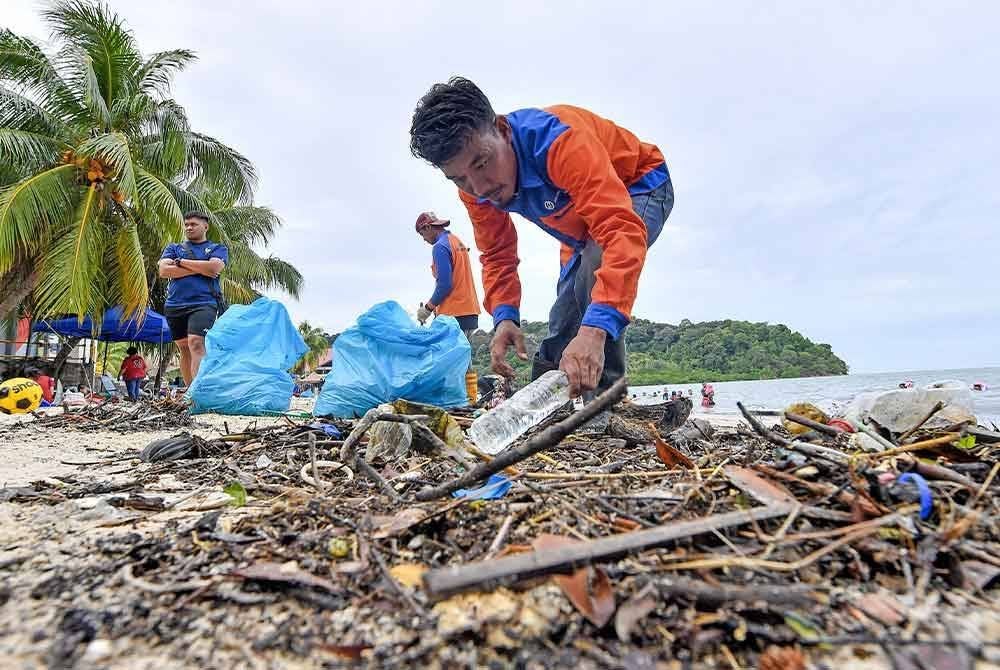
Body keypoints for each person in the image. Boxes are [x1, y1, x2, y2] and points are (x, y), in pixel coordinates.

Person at [409, 77, 673, 400]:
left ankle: (605, 402)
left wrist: (594, 332)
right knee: (563, 316)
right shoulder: (476, 190)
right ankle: (540, 405)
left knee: (596, 267)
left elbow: (618, 230)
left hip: (640, 184)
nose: (479, 188)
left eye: (482, 162)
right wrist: (505, 317)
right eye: (460, 178)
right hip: (579, 226)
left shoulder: (559, 143)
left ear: (503, 131)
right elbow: (496, 253)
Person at [414, 211, 482, 405]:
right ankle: (470, 401)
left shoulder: (440, 247)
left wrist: (428, 308)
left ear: (428, 228)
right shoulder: (456, 241)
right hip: (468, 309)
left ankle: (462, 402)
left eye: (422, 235)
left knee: (449, 361)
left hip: (454, 313)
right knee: (463, 358)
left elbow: (445, 284)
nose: (425, 240)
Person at [157, 212, 229, 385]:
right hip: (175, 304)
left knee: (196, 343)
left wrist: (180, 263)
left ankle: (200, 390)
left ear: (205, 226)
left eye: (194, 224)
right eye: (187, 224)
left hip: (204, 303)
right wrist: (201, 268)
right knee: (184, 348)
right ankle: (190, 393)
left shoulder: (217, 248)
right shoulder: (174, 248)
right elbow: (164, 271)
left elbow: (214, 268)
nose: (189, 227)